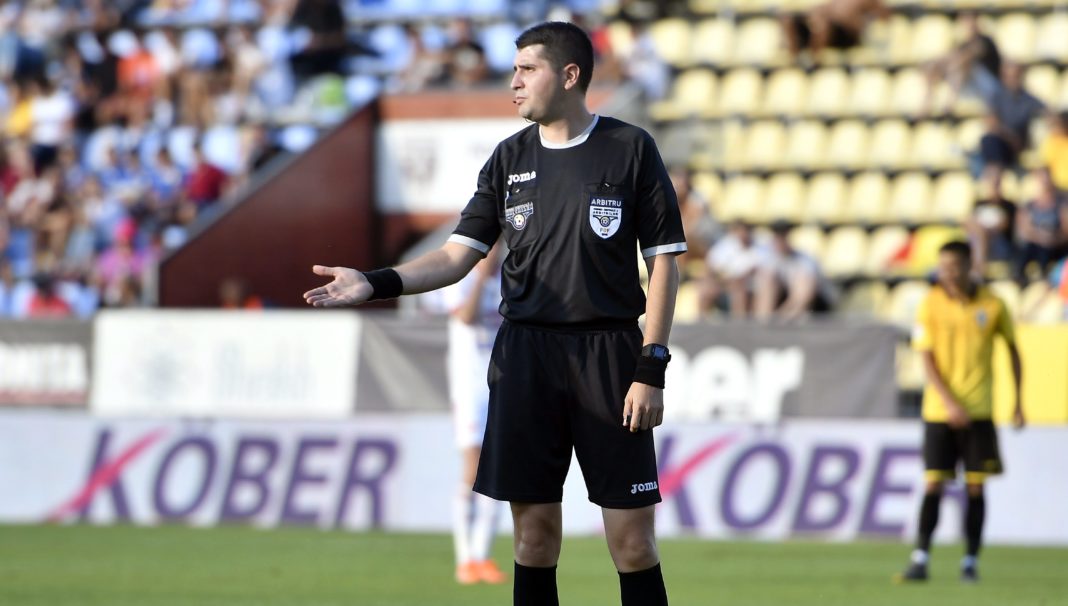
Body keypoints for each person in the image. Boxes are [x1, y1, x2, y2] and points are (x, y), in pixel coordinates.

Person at [304, 21, 685, 606]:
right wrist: (374, 281)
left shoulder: (630, 148)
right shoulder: (509, 158)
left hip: (610, 356)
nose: (513, 83)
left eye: (526, 70)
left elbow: (663, 263)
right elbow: (457, 257)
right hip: (526, 357)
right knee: (533, 539)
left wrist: (650, 366)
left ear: (569, 75)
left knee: (632, 543)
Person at [895, 240, 1024, 584]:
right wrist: (950, 403)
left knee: (976, 488)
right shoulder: (930, 304)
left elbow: (1013, 350)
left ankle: (970, 561)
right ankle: (920, 558)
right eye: (943, 267)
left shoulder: (993, 305)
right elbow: (926, 358)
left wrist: (1018, 401)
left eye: (953, 266)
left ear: (970, 266)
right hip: (940, 411)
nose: (947, 273)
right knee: (934, 482)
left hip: (980, 410)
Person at [422, 242, 508, 585]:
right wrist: (483, 279)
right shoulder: (461, 277)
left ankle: (481, 556)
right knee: (473, 467)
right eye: (492, 246)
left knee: (499, 467)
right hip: (469, 386)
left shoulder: (510, 278)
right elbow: (467, 316)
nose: (495, 253)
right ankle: (465, 558)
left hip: (501, 382)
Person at [920, 11, 1002, 117]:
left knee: (964, 65)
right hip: (971, 87)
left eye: (970, 19)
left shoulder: (985, 40)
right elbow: (950, 58)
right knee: (932, 67)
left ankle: (949, 104)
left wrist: (950, 65)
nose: (968, 24)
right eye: (965, 20)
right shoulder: (962, 44)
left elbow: (969, 55)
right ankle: (927, 102)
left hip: (990, 87)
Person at [753, 220, 836, 321]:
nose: (781, 240)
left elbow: (809, 289)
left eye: (783, 236)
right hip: (783, 298)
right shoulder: (768, 258)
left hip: (817, 302)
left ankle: (784, 319)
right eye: (778, 236)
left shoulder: (805, 259)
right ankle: (763, 321)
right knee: (767, 279)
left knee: (802, 281)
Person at [976, 62, 1045, 181]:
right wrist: (1011, 137)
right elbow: (991, 124)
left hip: (1018, 148)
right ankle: (995, 177)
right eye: (1009, 76)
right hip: (1003, 144)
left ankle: (994, 178)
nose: (1013, 80)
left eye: (1016, 76)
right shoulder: (997, 97)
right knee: (989, 141)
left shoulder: (1029, 100)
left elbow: (1046, 113)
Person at [781, 0, 890, 64]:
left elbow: (885, 16)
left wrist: (861, 25)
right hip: (827, 30)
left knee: (822, 23)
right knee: (788, 18)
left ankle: (814, 62)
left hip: (848, 36)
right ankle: (794, 60)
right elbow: (817, 11)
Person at [1014, 168, 1068, 284]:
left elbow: (1066, 230)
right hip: (1037, 244)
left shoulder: (1062, 203)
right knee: (1027, 252)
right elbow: (1025, 230)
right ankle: (1021, 281)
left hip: (1057, 244)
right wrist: (1042, 237)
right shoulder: (1029, 205)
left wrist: (1053, 238)